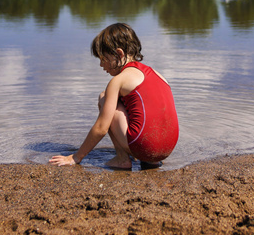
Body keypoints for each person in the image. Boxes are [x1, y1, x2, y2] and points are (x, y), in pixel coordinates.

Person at [49, 23, 179, 170]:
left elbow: (101, 128)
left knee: (104, 98)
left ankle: (122, 159)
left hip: (144, 147)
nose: (101, 65)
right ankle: (151, 162)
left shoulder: (118, 80)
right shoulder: (158, 74)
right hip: (167, 150)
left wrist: (76, 157)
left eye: (103, 58)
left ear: (119, 54)